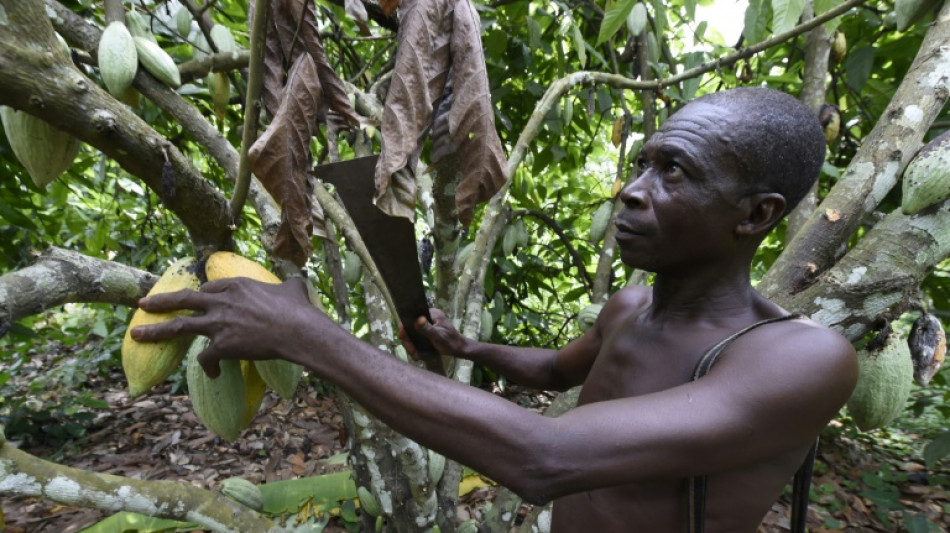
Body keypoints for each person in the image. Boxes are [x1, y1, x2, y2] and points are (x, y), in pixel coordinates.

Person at [132, 87, 858, 532]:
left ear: (755, 215)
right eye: (642, 163)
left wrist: (309, 336)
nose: (632, 191)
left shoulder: (799, 358)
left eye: (674, 172)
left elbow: (546, 456)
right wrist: (468, 345)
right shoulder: (630, 306)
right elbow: (554, 370)